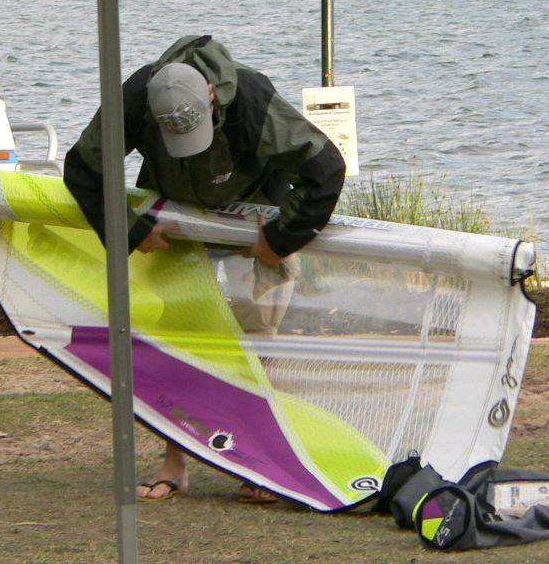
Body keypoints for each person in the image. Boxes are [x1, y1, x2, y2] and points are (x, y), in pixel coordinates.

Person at [63, 34, 346, 503]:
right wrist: (132, 231)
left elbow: (327, 169)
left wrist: (279, 239)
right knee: (178, 341)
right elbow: (82, 169)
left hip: (255, 222)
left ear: (212, 94)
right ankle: (175, 464)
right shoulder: (136, 98)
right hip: (175, 222)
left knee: (257, 348)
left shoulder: (253, 100)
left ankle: (263, 464)